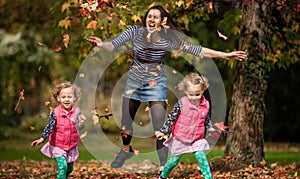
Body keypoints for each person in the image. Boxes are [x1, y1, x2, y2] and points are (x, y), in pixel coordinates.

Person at [87, 5, 247, 170]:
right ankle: (126, 149)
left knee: (159, 125)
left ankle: (164, 165)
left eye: (156, 17)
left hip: (156, 84)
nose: (151, 19)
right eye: (149, 16)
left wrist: (225, 55)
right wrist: (100, 44)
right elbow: (112, 46)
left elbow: (197, 50)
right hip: (134, 82)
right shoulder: (134, 32)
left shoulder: (168, 39)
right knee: (126, 122)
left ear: (162, 22)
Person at [153, 72, 220, 179]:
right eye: (191, 95)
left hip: (197, 138)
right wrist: (163, 131)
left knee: (202, 157)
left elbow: (205, 118)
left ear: (203, 90)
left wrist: (210, 128)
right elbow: (171, 118)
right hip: (180, 138)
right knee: (173, 162)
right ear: (185, 91)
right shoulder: (181, 103)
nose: (194, 98)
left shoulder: (206, 105)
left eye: (197, 94)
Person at [31, 81, 86, 179]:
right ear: (58, 98)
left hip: (71, 145)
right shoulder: (55, 113)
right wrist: (42, 138)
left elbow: (79, 128)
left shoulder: (77, 112)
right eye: (63, 97)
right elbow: (49, 126)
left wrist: (82, 124)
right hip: (58, 145)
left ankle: (61, 178)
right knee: (62, 166)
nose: (66, 99)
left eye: (69, 97)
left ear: (74, 98)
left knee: (70, 168)